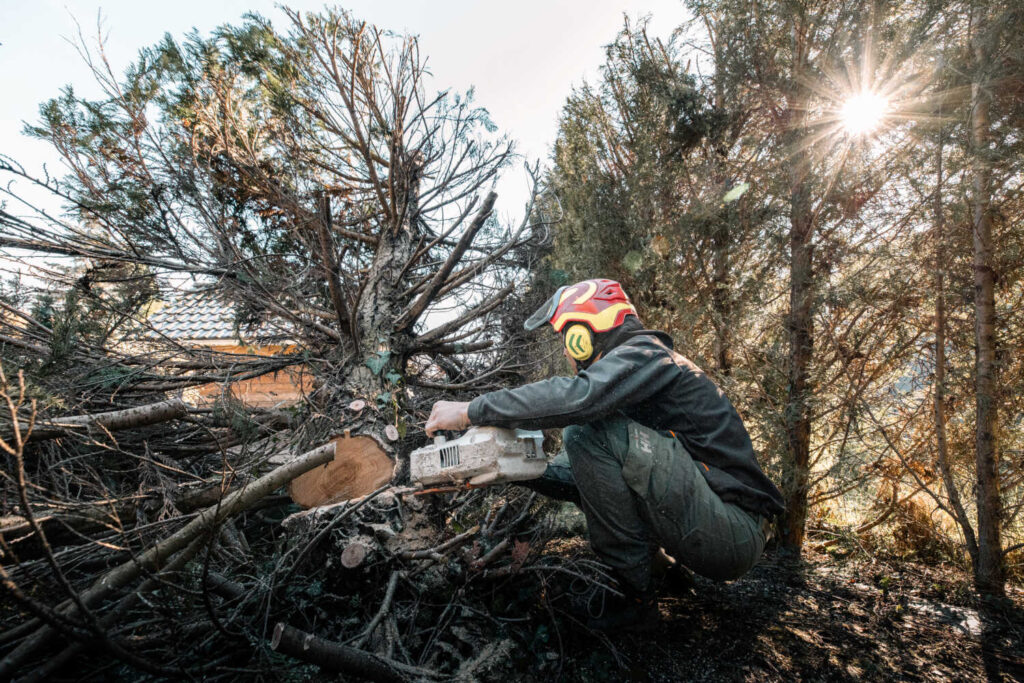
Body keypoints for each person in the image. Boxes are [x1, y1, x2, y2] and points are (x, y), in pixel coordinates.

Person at [425, 278, 785, 630]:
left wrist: (470, 409)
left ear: (586, 331)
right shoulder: (636, 377)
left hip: (734, 531)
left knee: (583, 433)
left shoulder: (645, 354)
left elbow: (576, 399)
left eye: (568, 338)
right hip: (723, 529)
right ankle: (663, 571)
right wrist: (508, 466)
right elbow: (580, 478)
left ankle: (637, 600)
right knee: (588, 456)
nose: (567, 351)